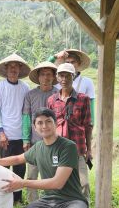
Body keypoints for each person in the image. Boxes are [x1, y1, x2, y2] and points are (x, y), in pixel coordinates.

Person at [0, 108, 88, 208]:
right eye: (39, 123)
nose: (44, 126)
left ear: (56, 124)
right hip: (47, 200)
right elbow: (18, 159)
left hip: (71, 200)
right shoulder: (38, 147)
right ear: (35, 127)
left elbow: (57, 183)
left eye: (48, 121)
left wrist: (22, 183)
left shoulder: (68, 146)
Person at [47, 63, 93, 202]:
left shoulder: (83, 99)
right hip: (58, 150)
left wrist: (89, 149)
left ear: (73, 77)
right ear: (57, 77)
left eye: (68, 75)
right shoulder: (51, 100)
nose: (64, 79)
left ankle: (83, 205)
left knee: (83, 184)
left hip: (77, 148)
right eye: (61, 75)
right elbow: (48, 127)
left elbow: (87, 125)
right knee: (57, 184)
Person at [0, 53, 31, 203]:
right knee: (4, 169)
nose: (13, 69)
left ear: (20, 69)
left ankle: (17, 198)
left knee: (20, 169)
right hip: (5, 135)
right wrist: (1, 132)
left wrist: (26, 136)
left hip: (21, 135)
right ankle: (4, 198)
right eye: (11, 66)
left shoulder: (25, 87)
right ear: (6, 68)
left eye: (16, 66)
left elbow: (26, 112)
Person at [22, 61, 59, 202]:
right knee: (31, 176)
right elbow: (26, 118)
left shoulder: (58, 93)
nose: (46, 77)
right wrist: (26, 139)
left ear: (54, 76)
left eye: (49, 74)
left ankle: (54, 203)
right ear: (38, 77)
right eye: (43, 74)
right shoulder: (30, 94)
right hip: (35, 142)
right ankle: (33, 203)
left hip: (53, 143)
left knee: (52, 177)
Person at [48, 49, 95, 125]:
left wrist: (91, 125)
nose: (70, 65)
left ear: (79, 63)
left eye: (73, 62)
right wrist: (55, 57)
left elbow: (91, 107)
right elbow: (45, 68)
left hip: (78, 126)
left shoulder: (87, 82)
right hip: (59, 125)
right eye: (67, 62)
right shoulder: (58, 81)